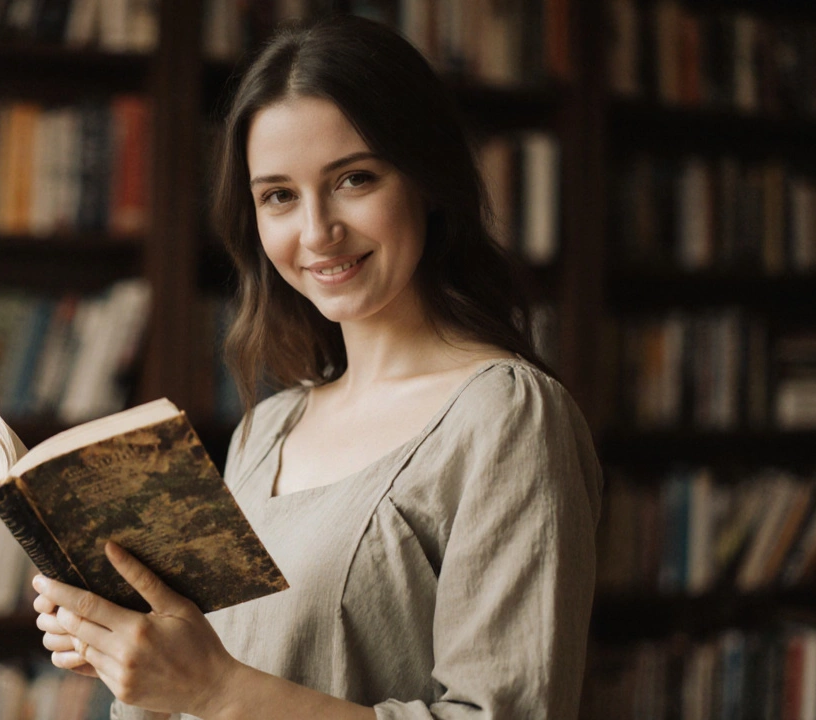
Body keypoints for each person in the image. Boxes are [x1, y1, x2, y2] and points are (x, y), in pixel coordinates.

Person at [32, 14, 603, 720]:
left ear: (426, 180)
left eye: (354, 179)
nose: (316, 232)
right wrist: (136, 662)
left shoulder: (506, 416)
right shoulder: (267, 429)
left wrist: (214, 688)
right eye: (278, 195)